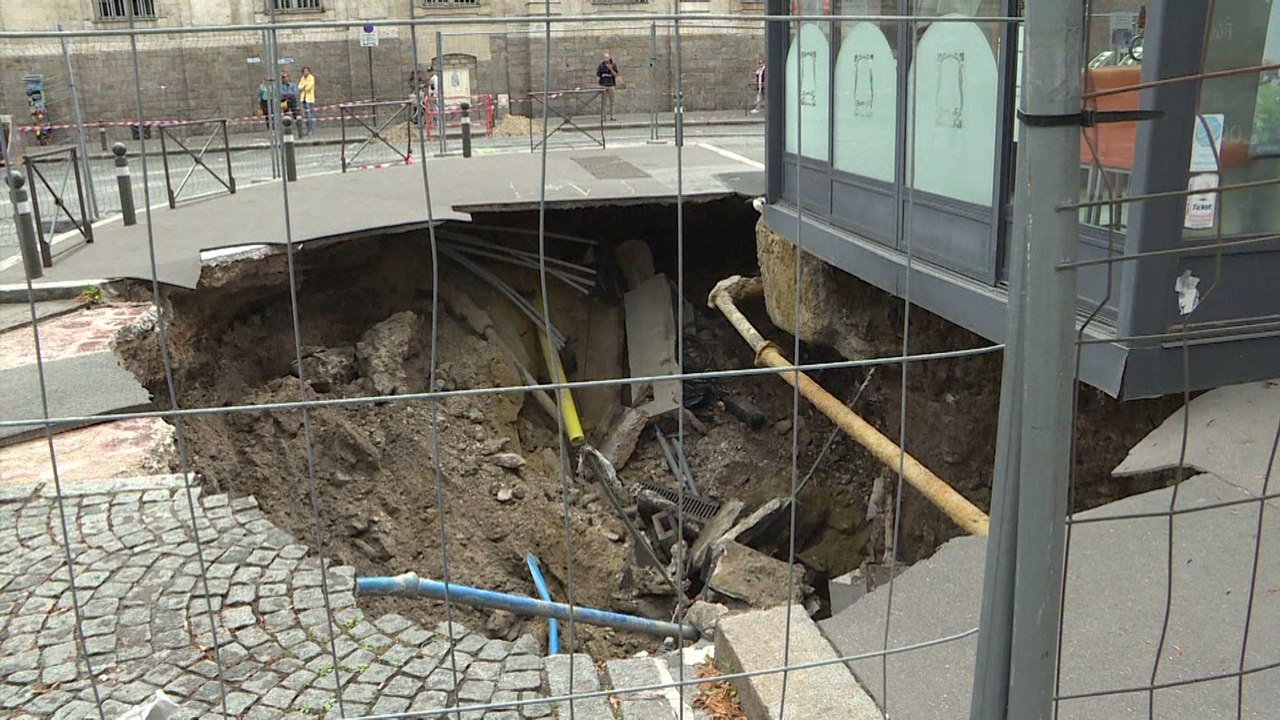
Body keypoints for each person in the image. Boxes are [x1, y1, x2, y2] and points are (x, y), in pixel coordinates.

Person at [596, 51, 619, 121]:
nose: (606, 59)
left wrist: (610, 69)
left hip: (611, 85)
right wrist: (599, 83)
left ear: (609, 58)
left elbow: (615, 75)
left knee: (612, 101)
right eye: (605, 57)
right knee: (604, 101)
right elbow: (598, 75)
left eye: (607, 57)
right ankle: (603, 116)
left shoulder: (613, 65)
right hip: (604, 85)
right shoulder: (601, 65)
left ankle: (612, 116)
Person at [298, 66, 317, 137]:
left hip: (309, 99)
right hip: (303, 99)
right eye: (304, 71)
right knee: (305, 116)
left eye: (307, 71)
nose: (305, 72)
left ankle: (312, 130)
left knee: (310, 115)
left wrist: (304, 86)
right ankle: (308, 130)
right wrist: (304, 86)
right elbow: (299, 87)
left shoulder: (311, 78)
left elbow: (309, 88)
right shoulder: (302, 78)